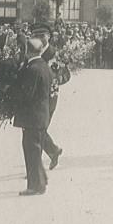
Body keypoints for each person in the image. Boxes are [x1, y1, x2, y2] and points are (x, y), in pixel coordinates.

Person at [12, 38, 51, 196]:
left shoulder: (32, 69)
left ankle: (35, 186)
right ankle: (40, 180)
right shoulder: (44, 66)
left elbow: (26, 94)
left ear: (28, 51)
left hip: (32, 117)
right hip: (41, 115)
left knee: (31, 151)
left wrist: (10, 93)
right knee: (35, 149)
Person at [31, 23, 66, 170]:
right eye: (36, 36)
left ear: (49, 36)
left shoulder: (54, 53)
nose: (39, 39)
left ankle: (36, 168)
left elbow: (66, 75)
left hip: (49, 97)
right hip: (35, 96)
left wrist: (55, 78)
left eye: (42, 36)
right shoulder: (32, 50)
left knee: (38, 130)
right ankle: (52, 151)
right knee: (37, 129)